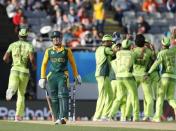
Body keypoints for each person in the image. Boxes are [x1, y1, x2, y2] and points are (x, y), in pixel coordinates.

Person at [38, 31, 81, 124]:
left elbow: (73, 63)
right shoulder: (48, 51)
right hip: (52, 76)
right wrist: (42, 77)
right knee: (54, 98)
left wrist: (76, 75)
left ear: (61, 39)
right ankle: (57, 117)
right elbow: (44, 64)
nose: (56, 39)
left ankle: (63, 117)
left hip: (62, 75)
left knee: (63, 95)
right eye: (54, 38)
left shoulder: (66, 50)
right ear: (52, 40)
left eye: (58, 37)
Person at [3, 28, 36, 121]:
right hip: (24, 71)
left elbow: (5, 58)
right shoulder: (29, 45)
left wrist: (10, 62)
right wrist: (34, 66)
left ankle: (11, 90)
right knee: (21, 94)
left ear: (19, 36)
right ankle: (18, 116)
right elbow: (32, 59)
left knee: (12, 86)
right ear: (26, 36)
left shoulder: (12, 45)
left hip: (14, 69)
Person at [147, 37, 176, 122]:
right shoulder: (173, 50)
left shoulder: (161, 53)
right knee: (170, 97)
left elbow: (156, 64)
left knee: (160, 97)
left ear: (163, 45)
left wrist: (148, 73)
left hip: (164, 77)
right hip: (173, 77)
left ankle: (157, 117)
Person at [93, 34, 114, 121]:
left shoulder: (99, 49)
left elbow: (111, 57)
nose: (111, 43)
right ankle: (97, 116)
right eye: (110, 42)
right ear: (106, 42)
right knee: (103, 96)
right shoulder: (106, 49)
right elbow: (113, 52)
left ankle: (105, 115)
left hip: (103, 75)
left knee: (110, 95)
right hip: (102, 74)